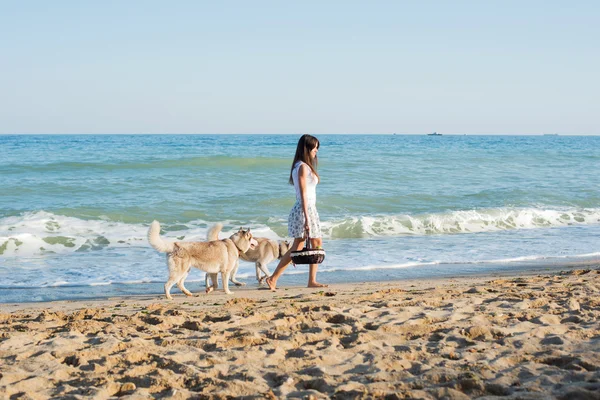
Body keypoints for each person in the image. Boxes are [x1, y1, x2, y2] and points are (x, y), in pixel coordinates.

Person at [265, 134, 328, 290]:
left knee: (315, 243)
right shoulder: (301, 167)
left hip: (309, 209)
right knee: (298, 246)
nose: (316, 151)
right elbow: (303, 193)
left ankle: (311, 281)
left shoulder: (304, 166)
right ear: (306, 148)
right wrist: (306, 218)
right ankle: (273, 278)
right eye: (314, 148)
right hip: (304, 209)